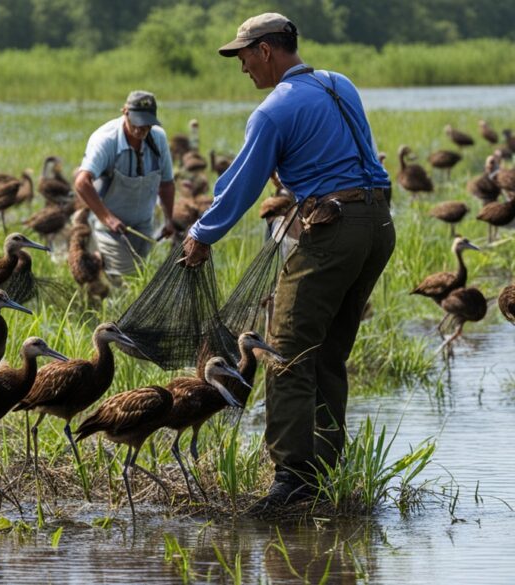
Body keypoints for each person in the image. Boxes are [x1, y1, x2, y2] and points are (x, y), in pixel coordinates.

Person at [181, 14, 394, 511]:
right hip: (378, 225)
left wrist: (202, 233)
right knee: (327, 354)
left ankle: (293, 478)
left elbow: (243, 184)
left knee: (285, 352)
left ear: (267, 51)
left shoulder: (273, 110)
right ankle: (323, 469)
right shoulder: (339, 84)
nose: (242, 68)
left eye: (243, 56)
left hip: (335, 230)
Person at [73, 90, 176, 278]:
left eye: (146, 124)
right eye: (135, 121)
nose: (140, 129)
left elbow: (167, 183)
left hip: (144, 225)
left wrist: (169, 219)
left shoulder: (158, 138)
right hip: (110, 230)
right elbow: (81, 182)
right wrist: (108, 219)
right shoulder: (105, 140)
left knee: (141, 278)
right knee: (124, 281)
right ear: (125, 112)